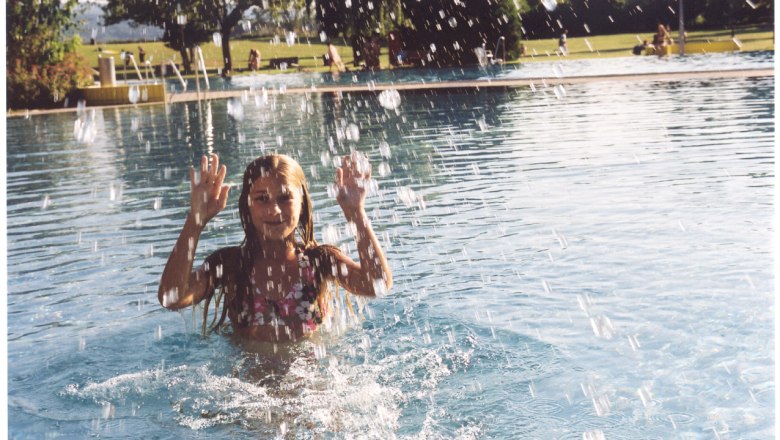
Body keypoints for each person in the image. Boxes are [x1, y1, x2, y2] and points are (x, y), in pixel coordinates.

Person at [158, 152, 392, 342]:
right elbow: (172, 297)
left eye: (285, 198)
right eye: (262, 199)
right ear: (247, 205)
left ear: (302, 203)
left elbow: (376, 285)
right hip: (247, 394)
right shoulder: (229, 265)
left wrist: (355, 212)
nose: (274, 210)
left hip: (314, 391)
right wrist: (195, 220)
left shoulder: (320, 261)